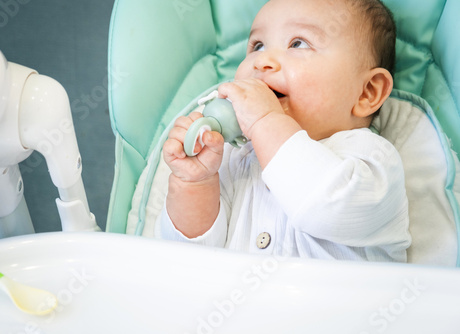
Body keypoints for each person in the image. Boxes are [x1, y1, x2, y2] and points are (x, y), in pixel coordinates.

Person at [157, 0, 411, 262]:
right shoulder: (233, 157)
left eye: (298, 43)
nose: (262, 60)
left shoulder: (373, 159)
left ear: (367, 92)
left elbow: (328, 209)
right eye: (257, 46)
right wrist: (195, 183)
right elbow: (186, 258)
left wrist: (266, 120)